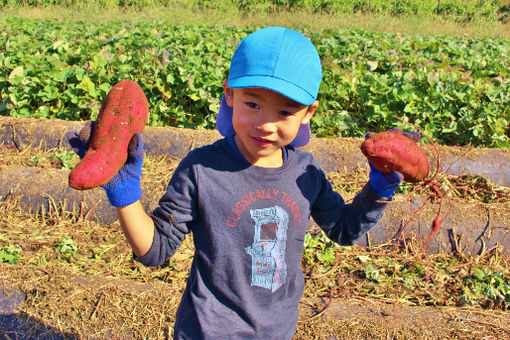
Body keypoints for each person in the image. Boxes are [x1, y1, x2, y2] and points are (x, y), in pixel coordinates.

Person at [67, 27, 403, 340]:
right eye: (253, 104)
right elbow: (156, 250)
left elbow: (344, 229)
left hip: (277, 330)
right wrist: (124, 191)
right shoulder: (202, 169)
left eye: (285, 112)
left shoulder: (306, 173)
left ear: (308, 113)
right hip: (206, 330)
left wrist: (380, 188)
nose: (266, 124)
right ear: (230, 94)